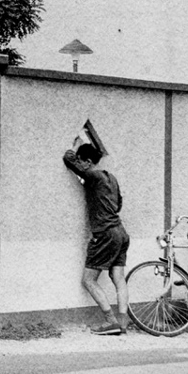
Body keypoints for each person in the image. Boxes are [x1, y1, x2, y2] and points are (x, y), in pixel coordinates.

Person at [63, 140, 130, 335]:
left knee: (88, 280)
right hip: (121, 233)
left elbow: (69, 158)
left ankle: (111, 321)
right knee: (119, 278)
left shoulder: (92, 174)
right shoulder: (112, 178)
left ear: (88, 161)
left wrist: (73, 153)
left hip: (105, 234)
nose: (80, 165)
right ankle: (123, 322)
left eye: (82, 161)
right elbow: (118, 205)